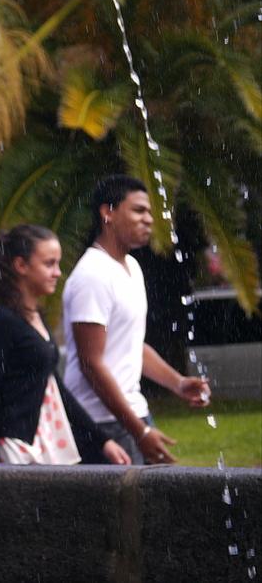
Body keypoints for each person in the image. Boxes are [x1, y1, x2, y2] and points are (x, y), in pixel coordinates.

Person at [63, 175, 211, 465]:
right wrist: (139, 431)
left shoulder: (130, 266)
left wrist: (178, 383)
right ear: (108, 213)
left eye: (150, 213)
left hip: (132, 414)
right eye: (139, 210)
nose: (149, 220)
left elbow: (131, 344)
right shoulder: (92, 275)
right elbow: (90, 363)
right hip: (101, 423)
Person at [0, 224, 130, 465]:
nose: (58, 273)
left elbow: (53, 385)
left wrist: (103, 440)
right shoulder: (0, 321)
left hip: (41, 443)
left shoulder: (35, 315)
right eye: (49, 264)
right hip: (13, 446)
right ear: (21, 266)